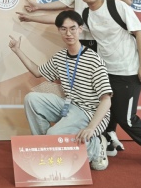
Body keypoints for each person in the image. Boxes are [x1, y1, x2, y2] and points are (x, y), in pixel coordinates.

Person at [16, 0, 132, 154]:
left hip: (107, 43)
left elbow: (128, 1)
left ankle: (103, 134)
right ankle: (50, 145)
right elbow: (64, 5)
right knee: (77, 89)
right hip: (85, 38)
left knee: (105, 91)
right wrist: (37, 9)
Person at [75, 0, 141, 168]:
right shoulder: (86, 14)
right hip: (105, 71)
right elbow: (65, 23)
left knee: (127, 118)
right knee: (106, 110)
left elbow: (140, 33)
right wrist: (32, 17)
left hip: (128, 71)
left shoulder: (118, 6)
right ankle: (109, 141)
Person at [8, 10, 112, 171]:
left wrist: (91, 127)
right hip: (69, 105)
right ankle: (44, 147)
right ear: (59, 30)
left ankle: (96, 146)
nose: (68, 33)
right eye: (63, 29)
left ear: (80, 29)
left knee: (53, 135)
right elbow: (37, 72)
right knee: (31, 99)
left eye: (72, 28)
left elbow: (106, 100)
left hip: (89, 112)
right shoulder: (60, 57)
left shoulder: (93, 60)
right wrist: (17, 51)